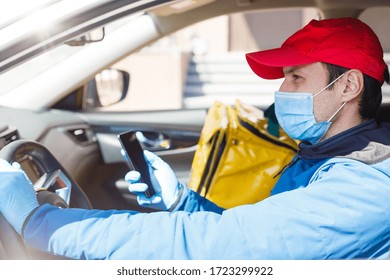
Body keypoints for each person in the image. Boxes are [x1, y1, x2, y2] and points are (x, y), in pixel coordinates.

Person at [1, 17, 390, 260]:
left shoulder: (367, 185)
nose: (281, 91)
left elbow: (229, 248)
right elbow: (267, 241)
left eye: (296, 77)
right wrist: (181, 201)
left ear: (348, 86)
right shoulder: (321, 159)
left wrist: (40, 221)